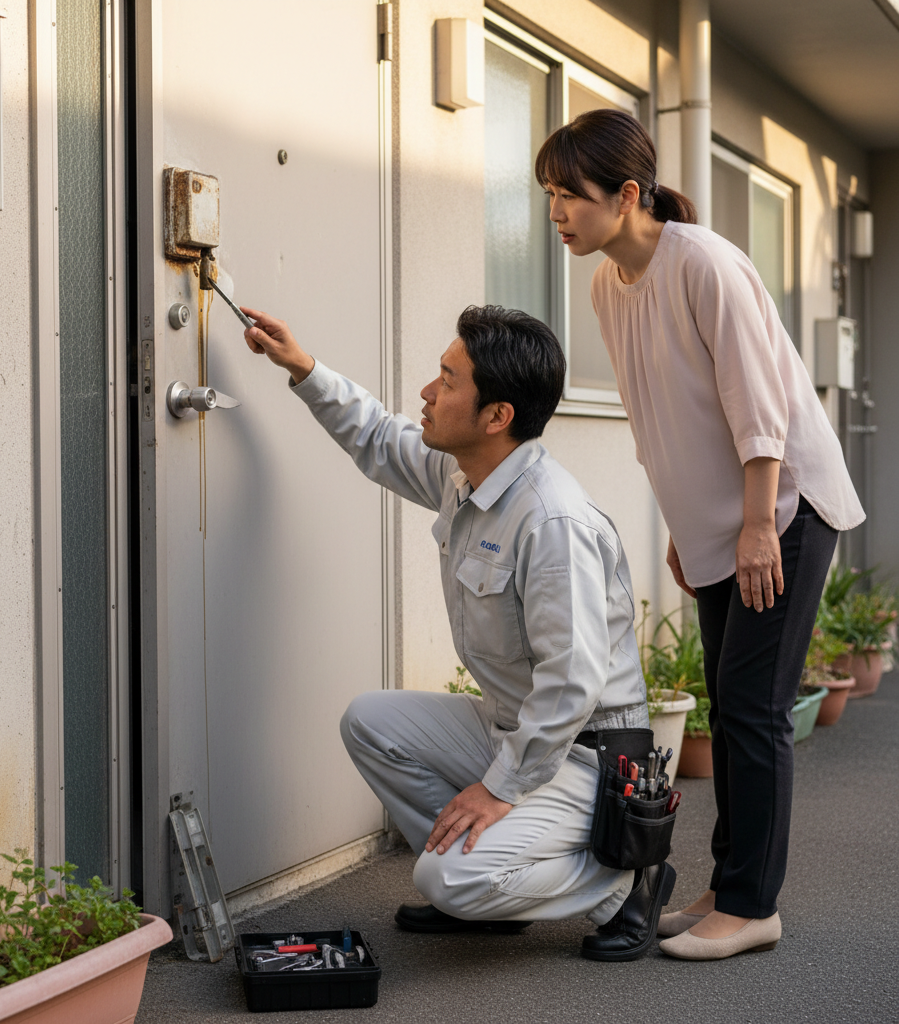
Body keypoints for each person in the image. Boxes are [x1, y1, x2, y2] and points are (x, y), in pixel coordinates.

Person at [237, 301, 673, 961]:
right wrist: (300, 365)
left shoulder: (553, 523)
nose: (427, 391)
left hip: (588, 755)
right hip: (515, 727)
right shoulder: (466, 474)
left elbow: (571, 684)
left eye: (447, 380)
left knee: (446, 879)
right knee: (370, 722)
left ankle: (620, 880)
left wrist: (498, 790)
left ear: (497, 416)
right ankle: (495, 894)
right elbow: (377, 436)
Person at [535, 109, 865, 961]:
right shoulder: (609, 285)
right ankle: (728, 887)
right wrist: (690, 529)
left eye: (570, 194)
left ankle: (754, 907)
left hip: (784, 507)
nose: (557, 212)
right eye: (549, 195)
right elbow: (656, 419)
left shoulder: (704, 263)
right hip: (725, 523)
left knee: (754, 708)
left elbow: (759, 404)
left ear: (628, 194)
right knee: (729, 702)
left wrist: (755, 525)